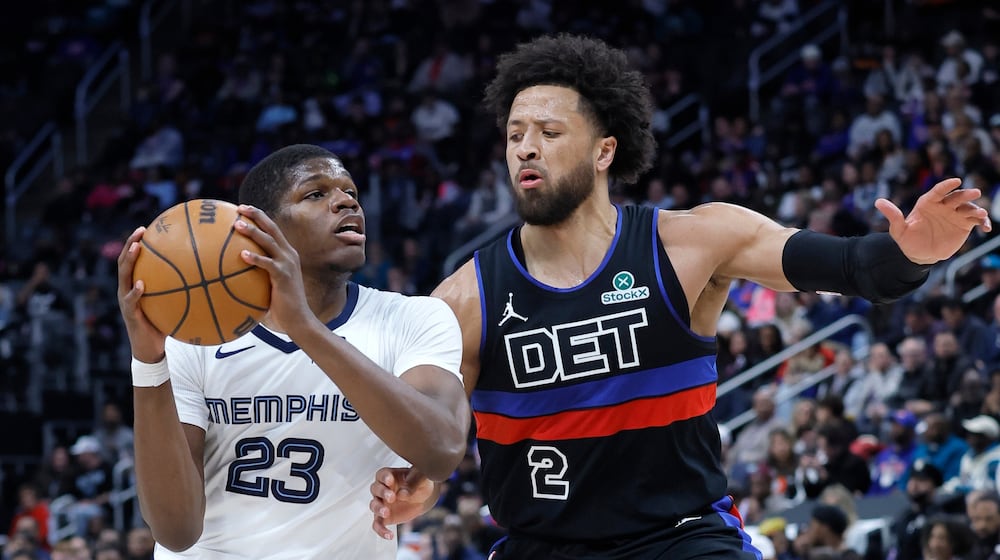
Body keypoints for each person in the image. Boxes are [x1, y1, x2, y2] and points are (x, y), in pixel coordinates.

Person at [369, 34, 990, 559]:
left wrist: (912, 252)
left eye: (550, 132)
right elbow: (439, 437)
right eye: (514, 134)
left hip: (683, 538)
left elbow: (855, 265)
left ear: (605, 150)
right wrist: (420, 480)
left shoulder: (695, 241)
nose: (525, 147)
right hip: (542, 544)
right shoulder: (464, 299)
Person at [116, 144, 470, 558]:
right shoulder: (196, 340)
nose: (346, 201)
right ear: (258, 228)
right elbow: (175, 531)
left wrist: (304, 327)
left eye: (350, 192)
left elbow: (442, 451)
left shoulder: (414, 318)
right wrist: (148, 362)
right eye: (316, 194)